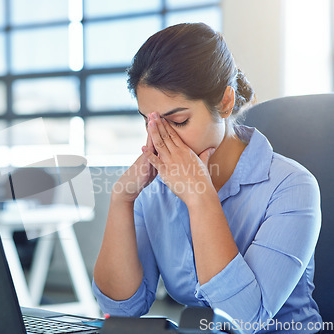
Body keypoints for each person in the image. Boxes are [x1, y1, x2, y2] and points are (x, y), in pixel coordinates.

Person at [92, 23, 322, 334]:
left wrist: (200, 197)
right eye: (150, 122)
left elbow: (244, 319)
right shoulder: (155, 186)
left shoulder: (291, 187)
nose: (160, 140)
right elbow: (121, 309)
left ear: (226, 102)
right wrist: (122, 199)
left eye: (179, 121)